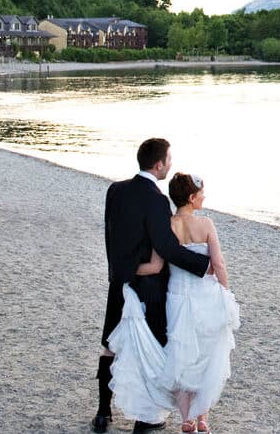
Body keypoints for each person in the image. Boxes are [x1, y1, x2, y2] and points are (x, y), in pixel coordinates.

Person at [93, 139, 214, 434]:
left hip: (119, 280)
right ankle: (145, 416)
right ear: (159, 164)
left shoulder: (115, 190)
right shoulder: (156, 200)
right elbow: (166, 246)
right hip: (148, 285)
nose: (170, 164)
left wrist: (118, 270)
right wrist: (203, 265)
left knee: (111, 345)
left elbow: (110, 235)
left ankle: (102, 412)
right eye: (169, 160)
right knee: (150, 348)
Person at [108, 173, 239, 434]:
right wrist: (227, 294)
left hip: (177, 298)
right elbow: (219, 265)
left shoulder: (167, 225)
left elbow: (156, 266)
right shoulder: (206, 224)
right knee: (206, 354)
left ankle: (186, 419)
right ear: (192, 198)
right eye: (201, 193)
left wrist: (125, 271)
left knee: (181, 356)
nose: (204, 197)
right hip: (206, 297)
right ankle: (203, 418)